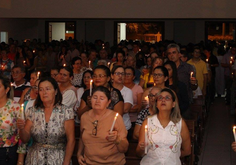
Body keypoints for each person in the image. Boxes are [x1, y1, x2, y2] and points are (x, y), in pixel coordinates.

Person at [17, 77, 75, 165]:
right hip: (35, 158)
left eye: (48, 89)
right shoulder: (33, 111)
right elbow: (25, 139)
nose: (44, 93)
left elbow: (71, 140)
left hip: (58, 158)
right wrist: (21, 129)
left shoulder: (66, 111)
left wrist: (66, 162)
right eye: (41, 90)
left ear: (55, 91)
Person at [136, 88, 191, 165]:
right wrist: (142, 148)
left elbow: (187, 151)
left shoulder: (180, 124)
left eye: (167, 98)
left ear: (173, 104)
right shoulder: (148, 122)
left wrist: (171, 156)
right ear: (157, 104)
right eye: (160, 98)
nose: (163, 100)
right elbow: (139, 153)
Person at [77, 86, 128, 165]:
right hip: (89, 162)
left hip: (112, 163)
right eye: (95, 97)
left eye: (101, 98)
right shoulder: (85, 117)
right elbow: (82, 137)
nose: (97, 101)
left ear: (108, 102)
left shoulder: (115, 118)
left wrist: (117, 139)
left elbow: (124, 148)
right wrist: (79, 154)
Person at [0, 75, 26, 165]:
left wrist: (20, 160)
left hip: (7, 152)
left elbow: (21, 136)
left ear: (6, 89)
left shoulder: (15, 107)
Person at [111, 65, 133, 131]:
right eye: (117, 73)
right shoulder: (107, 90)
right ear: (112, 76)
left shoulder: (128, 91)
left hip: (124, 126)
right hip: (107, 125)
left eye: (122, 74)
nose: (120, 76)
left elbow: (125, 109)